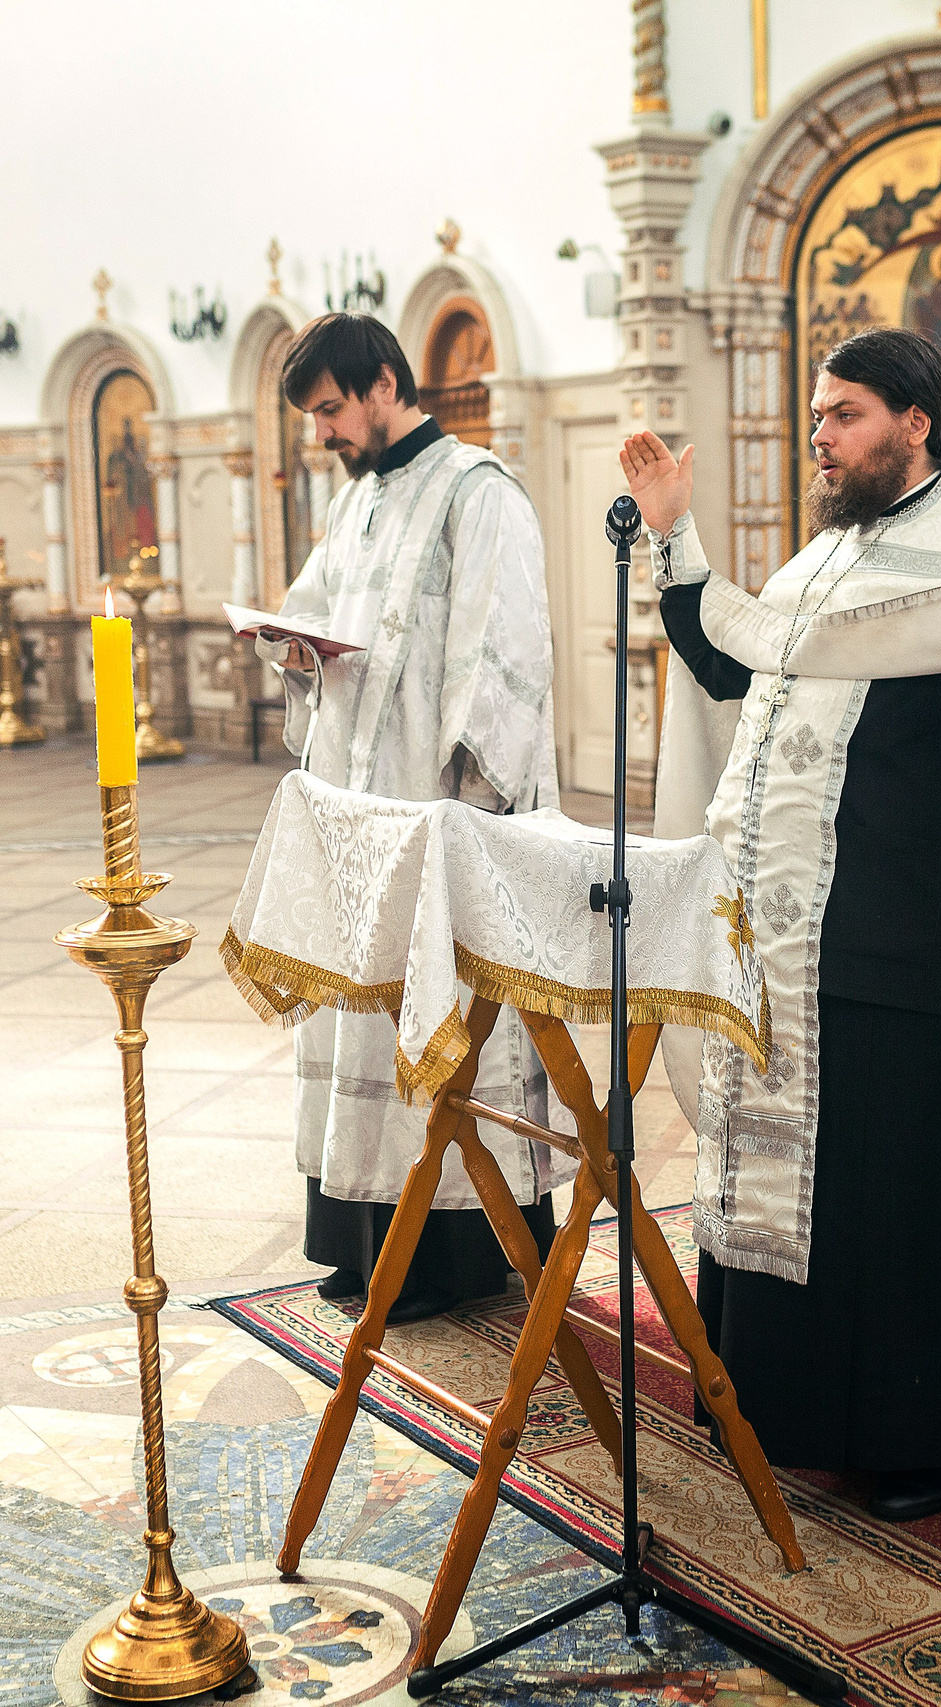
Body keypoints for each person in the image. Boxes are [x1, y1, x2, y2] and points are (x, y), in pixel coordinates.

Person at [629, 327, 941, 1524]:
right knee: (817, 1197)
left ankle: (917, 1445)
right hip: (795, 937)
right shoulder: (825, 565)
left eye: (844, 414)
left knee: (900, 1212)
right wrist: (670, 531)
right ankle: (775, 1409)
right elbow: (730, 669)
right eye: (816, 415)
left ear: (915, 424)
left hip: (916, 946)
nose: (822, 435)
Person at [264, 312, 565, 1326]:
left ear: (384, 382)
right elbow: (312, 616)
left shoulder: (478, 494)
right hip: (363, 821)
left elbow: (504, 656)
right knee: (364, 1024)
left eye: (331, 409)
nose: (323, 433)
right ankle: (363, 1238)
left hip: (438, 824)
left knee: (441, 1026)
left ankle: (451, 1258)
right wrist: (290, 644)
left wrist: (466, 814)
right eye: (313, 416)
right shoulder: (357, 507)